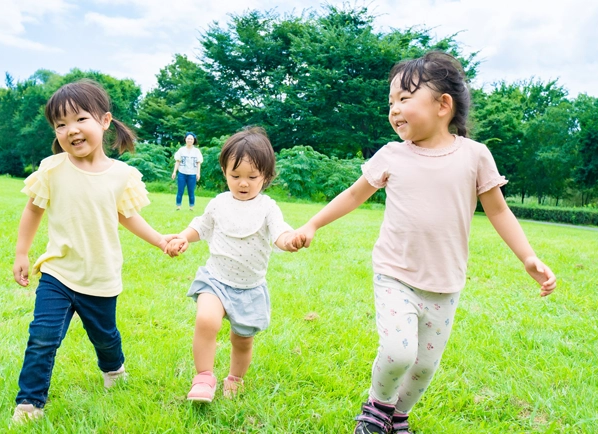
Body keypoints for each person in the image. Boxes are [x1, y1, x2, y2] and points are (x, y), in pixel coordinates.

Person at [295, 52, 557, 434]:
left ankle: (398, 417)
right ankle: (376, 409)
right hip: (395, 274)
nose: (394, 109)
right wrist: (313, 224)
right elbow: (353, 196)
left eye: (404, 99)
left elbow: (499, 212)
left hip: (445, 284)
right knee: (400, 352)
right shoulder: (392, 155)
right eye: (391, 103)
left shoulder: (475, 156)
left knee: (423, 367)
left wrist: (528, 257)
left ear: (443, 105)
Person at [11, 79, 182, 422]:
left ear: (104, 122)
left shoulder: (122, 175)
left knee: (104, 337)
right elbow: (33, 210)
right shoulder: (52, 169)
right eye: (60, 124)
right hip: (58, 273)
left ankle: (114, 369)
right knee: (42, 337)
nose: (70, 130)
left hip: (101, 275)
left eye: (79, 120)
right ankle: (29, 402)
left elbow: (128, 216)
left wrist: (161, 239)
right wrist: (22, 253)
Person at [166, 127, 306, 403]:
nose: (243, 183)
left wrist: (290, 239)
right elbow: (201, 226)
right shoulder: (219, 203)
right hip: (215, 279)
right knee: (206, 320)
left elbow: (279, 232)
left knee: (242, 340)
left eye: (252, 177)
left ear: (265, 176)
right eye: (235, 176)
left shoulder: (267, 207)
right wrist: (183, 237)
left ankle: (235, 378)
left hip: (249, 287)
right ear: (224, 172)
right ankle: (204, 377)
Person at [171, 132, 203, 211]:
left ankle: (191, 207)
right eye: (188, 138)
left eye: (191, 139)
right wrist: (174, 172)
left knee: (191, 192)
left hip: (192, 174)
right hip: (182, 173)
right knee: (180, 190)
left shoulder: (197, 151)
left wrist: (198, 173)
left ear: (194, 140)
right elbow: (177, 161)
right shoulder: (181, 150)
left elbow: (198, 163)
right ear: (185, 139)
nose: (190, 140)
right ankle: (178, 206)